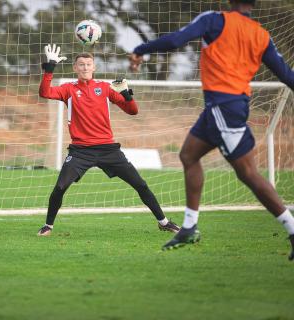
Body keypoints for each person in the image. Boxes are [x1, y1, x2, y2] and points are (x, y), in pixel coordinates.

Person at [129, 0, 294, 260]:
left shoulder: (214, 20)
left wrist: (140, 49)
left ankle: (292, 228)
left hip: (223, 109)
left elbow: (175, 41)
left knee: (249, 174)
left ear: (230, 1)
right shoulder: (261, 34)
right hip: (221, 109)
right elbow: (286, 74)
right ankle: (189, 227)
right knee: (188, 156)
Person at [37, 44, 180, 236]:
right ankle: (48, 225)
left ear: (94, 67)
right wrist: (50, 67)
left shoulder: (105, 88)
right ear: (75, 68)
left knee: (140, 184)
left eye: (88, 64)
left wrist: (126, 95)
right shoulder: (68, 90)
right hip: (81, 151)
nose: (85, 67)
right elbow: (45, 92)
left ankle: (163, 222)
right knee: (60, 186)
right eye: (81, 64)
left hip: (109, 150)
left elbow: (133, 111)